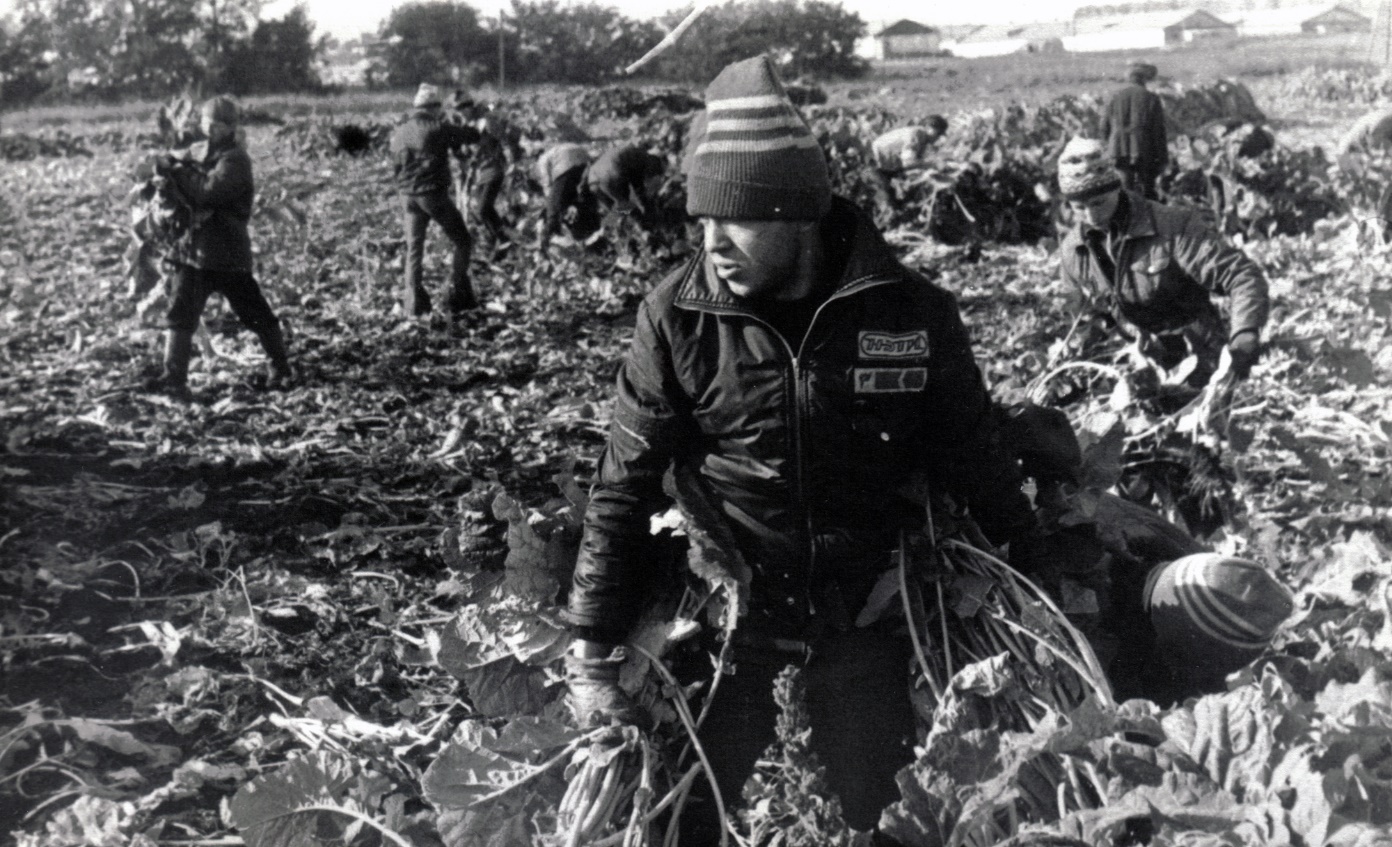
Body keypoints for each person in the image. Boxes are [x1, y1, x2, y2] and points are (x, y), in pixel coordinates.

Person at [561, 56, 1049, 844]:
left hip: (862, 619)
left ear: (799, 216)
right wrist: (592, 650)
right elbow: (624, 484)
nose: (713, 242)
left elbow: (976, 457)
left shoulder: (910, 312)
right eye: (703, 220)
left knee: (881, 820)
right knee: (682, 820)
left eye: (738, 219)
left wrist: (1042, 575)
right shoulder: (677, 316)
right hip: (730, 625)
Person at [1056, 137, 1269, 389]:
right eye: (1079, 207)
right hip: (1137, 367)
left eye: (1098, 203)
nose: (1091, 216)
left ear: (1116, 188)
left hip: (1201, 357)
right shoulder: (1073, 251)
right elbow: (1082, 319)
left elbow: (1240, 275)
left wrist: (1244, 333)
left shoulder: (1172, 226)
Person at [148, 96, 291, 400]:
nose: (210, 129)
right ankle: (173, 380)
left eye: (217, 125)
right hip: (194, 252)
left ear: (230, 127)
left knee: (254, 312)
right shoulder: (202, 152)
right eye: (207, 123)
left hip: (226, 253)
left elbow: (208, 192)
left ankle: (280, 367)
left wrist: (177, 171)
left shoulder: (235, 160)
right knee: (180, 314)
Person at [388, 83, 481, 317]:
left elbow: (396, 169)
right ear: (434, 108)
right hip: (431, 195)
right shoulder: (437, 127)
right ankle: (458, 293)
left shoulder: (400, 132)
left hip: (407, 197)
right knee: (463, 240)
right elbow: (471, 136)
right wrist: (473, 120)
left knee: (414, 248)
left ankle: (413, 303)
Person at [448, 93, 523, 253]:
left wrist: (512, 164)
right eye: (458, 111)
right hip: (479, 173)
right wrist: (456, 149)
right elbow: (466, 152)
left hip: (494, 169)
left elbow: (505, 141)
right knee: (482, 211)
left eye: (463, 109)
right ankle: (503, 240)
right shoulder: (466, 125)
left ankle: (504, 239)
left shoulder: (486, 122)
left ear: (469, 107)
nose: (461, 113)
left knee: (483, 209)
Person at [1100, 61, 1168, 200]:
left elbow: (1104, 127)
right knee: (1148, 191)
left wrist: (1109, 146)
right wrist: (1162, 159)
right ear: (1144, 79)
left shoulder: (1114, 97)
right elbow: (1158, 132)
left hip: (1118, 148)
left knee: (1124, 190)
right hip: (1144, 148)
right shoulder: (1151, 98)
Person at [868, 116, 948, 209]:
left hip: (886, 165)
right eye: (938, 133)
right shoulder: (916, 134)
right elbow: (909, 162)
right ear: (928, 127)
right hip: (873, 164)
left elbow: (915, 163)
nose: (938, 137)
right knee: (890, 203)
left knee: (902, 197)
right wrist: (933, 165)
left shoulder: (923, 139)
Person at [582, 144, 666, 230]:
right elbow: (638, 186)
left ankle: (643, 225)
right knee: (628, 205)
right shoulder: (643, 157)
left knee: (624, 206)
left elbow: (637, 184)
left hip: (594, 182)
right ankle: (649, 227)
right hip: (612, 173)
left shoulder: (631, 151)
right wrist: (648, 206)